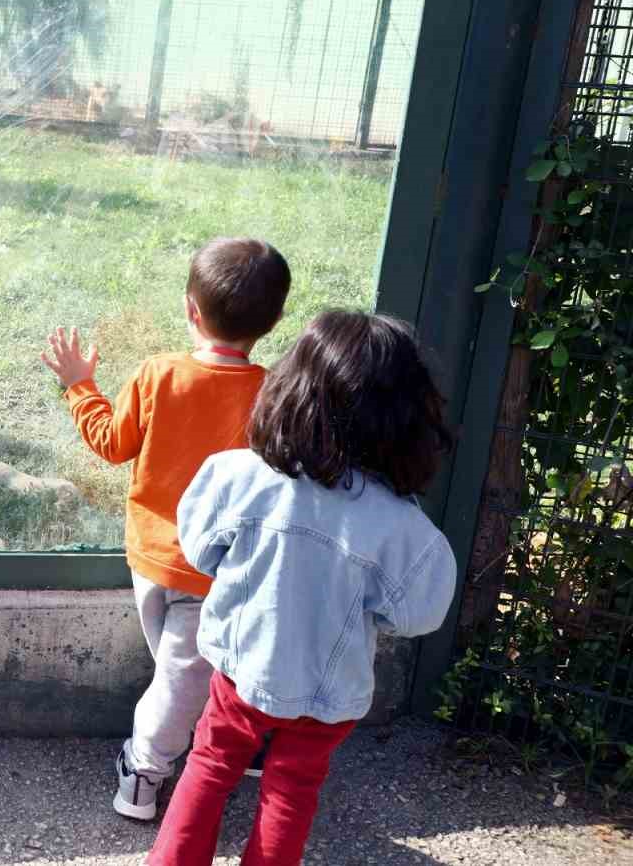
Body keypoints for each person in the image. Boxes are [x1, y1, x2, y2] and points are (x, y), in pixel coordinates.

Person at [149, 311, 458, 865]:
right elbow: (419, 614)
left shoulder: (236, 475)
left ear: (291, 389)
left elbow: (199, 551)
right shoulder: (402, 528)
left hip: (240, 671)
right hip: (328, 696)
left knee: (211, 764)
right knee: (292, 790)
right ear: (409, 419)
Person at [41, 238, 291, 821]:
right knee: (192, 673)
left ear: (190, 309)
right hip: (226, 567)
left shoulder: (159, 375)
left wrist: (80, 384)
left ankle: (148, 769)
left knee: (187, 673)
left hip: (157, 557)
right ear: (275, 321)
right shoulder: (273, 392)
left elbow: (111, 443)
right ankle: (163, 762)